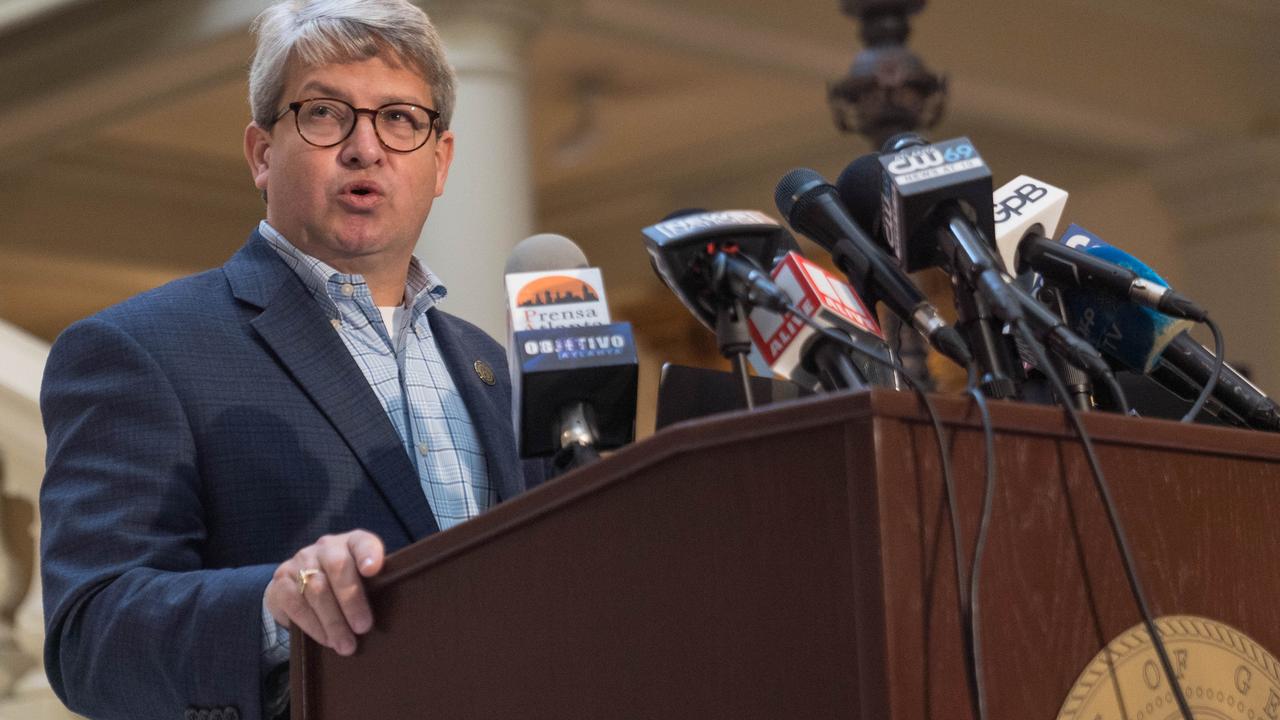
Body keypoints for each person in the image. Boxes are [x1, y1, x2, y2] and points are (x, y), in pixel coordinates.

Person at [38, 2, 545, 718]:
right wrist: (273, 606)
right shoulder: (138, 350)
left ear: (441, 162)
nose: (366, 148)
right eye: (326, 113)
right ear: (262, 153)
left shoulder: (490, 364)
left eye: (400, 119)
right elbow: (90, 636)